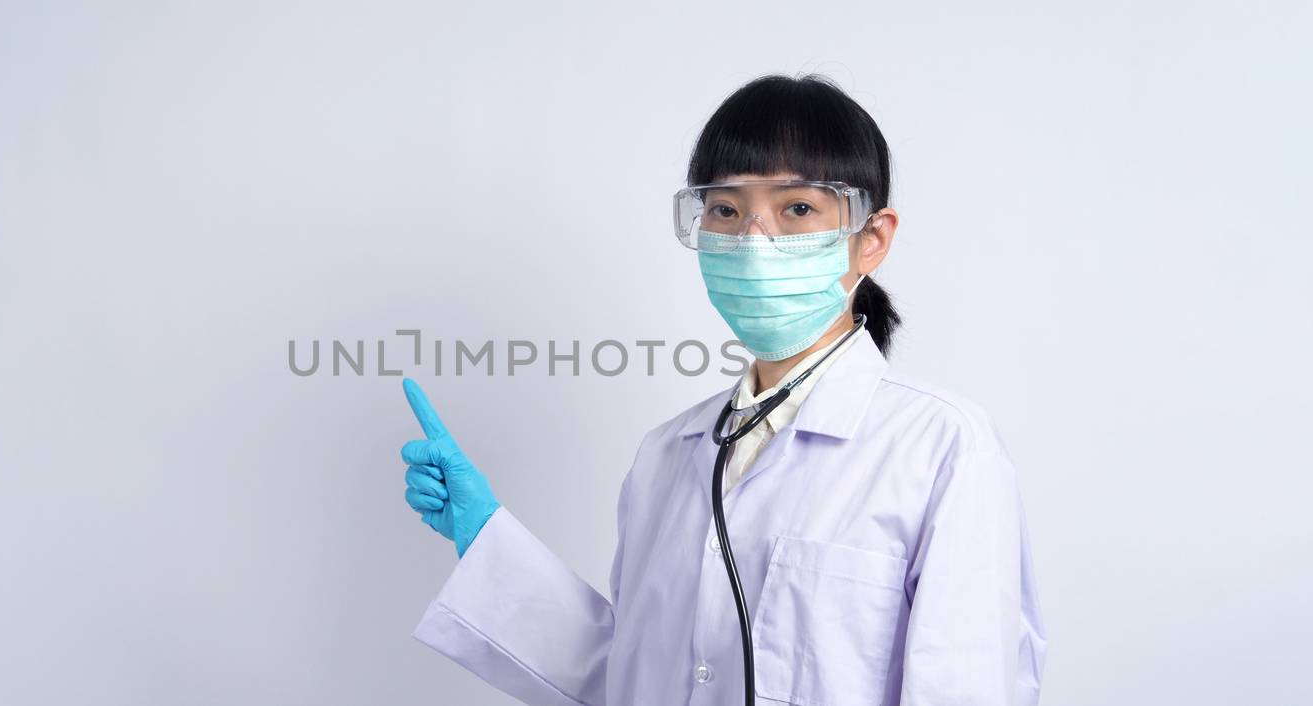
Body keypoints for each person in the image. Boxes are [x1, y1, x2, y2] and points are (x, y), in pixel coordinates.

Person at [398, 73, 1047, 706]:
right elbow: (630, 677)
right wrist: (485, 537)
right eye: (727, 210)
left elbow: (964, 686)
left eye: (797, 209)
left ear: (870, 239)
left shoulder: (941, 449)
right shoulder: (665, 457)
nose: (753, 240)